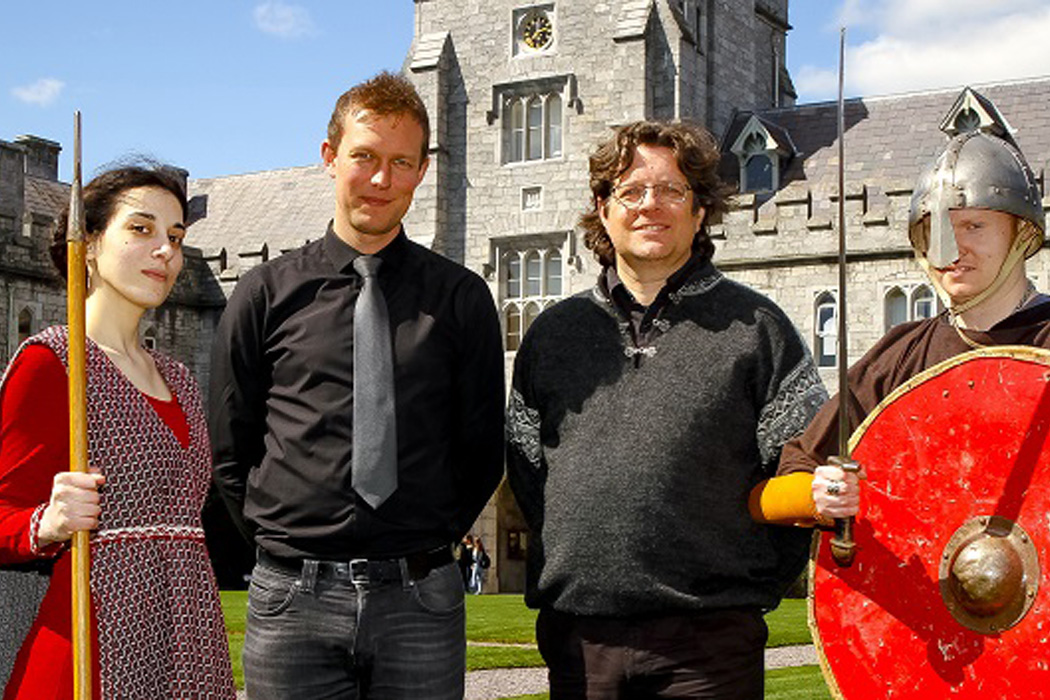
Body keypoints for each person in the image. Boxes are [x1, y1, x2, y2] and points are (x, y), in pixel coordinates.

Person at [506, 120, 828, 699]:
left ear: (699, 211)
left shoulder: (757, 329)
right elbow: (529, 471)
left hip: (710, 645)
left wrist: (744, 577)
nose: (650, 205)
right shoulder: (554, 333)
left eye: (672, 190)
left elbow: (803, 465)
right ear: (603, 210)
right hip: (581, 641)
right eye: (630, 191)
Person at [209, 71, 505, 699]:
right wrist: (286, 543)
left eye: (401, 162)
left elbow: (481, 447)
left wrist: (423, 538)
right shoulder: (265, 294)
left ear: (423, 170)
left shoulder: (460, 298)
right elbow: (231, 451)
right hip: (292, 601)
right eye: (364, 157)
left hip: (420, 600)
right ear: (329, 157)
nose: (381, 179)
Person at [0, 164, 236, 698]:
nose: (166, 252)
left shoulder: (177, 377)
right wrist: (47, 522)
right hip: (94, 644)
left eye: (175, 237)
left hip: (187, 636)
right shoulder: (51, 362)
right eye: (142, 229)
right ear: (88, 245)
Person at [753, 130, 1048, 523]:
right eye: (935, 231)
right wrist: (816, 496)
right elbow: (782, 484)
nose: (951, 249)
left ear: (1021, 233)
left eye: (973, 226)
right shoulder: (900, 355)